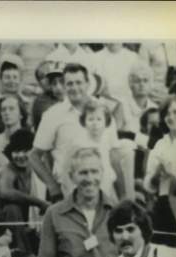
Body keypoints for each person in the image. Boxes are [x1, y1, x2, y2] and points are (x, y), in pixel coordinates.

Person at [29, 62, 120, 203]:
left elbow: (114, 154)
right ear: (65, 85)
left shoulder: (103, 110)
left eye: (79, 82)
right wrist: (53, 187)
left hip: (105, 190)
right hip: (70, 192)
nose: (74, 88)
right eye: (70, 83)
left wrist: (124, 195)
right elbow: (34, 156)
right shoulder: (52, 115)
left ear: (87, 83)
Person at [144, 94, 176, 247]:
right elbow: (148, 183)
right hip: (163, 203)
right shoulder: (161, 144)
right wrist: (156, 175)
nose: (172, 117)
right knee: (164, 249)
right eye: (167, 114)